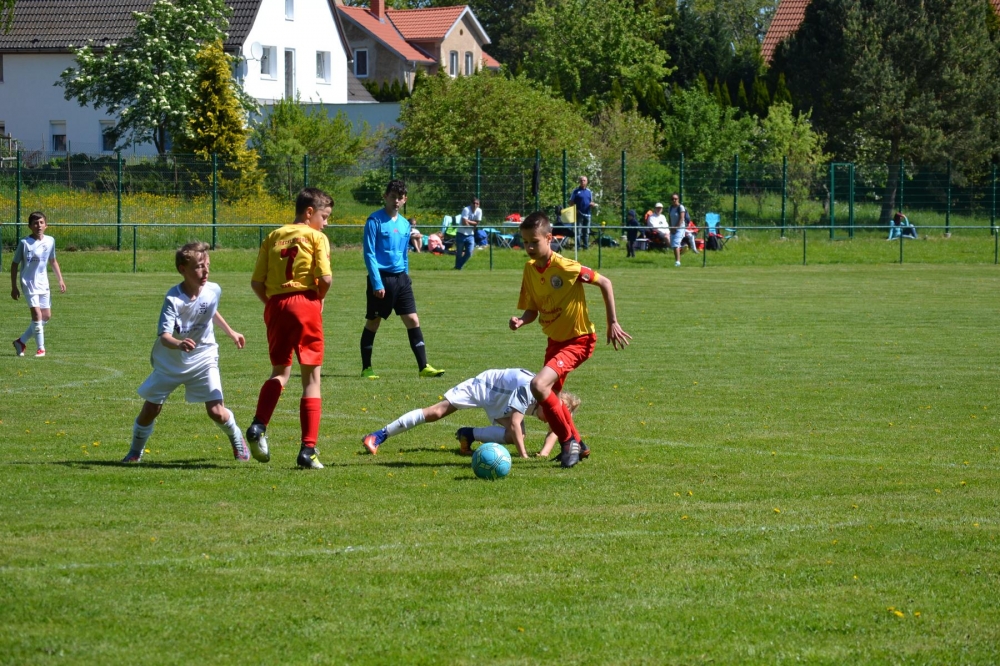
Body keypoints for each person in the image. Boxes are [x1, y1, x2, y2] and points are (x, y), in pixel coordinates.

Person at [509, 211, 632, 468]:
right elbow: (532, 308)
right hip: (555, 341)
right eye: (525, 242)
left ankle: (567, 442)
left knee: (538, 386)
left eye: (535, 241)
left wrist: (612, 322)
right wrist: (522, 320)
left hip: (579, 340)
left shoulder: (566, 266)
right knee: (548, 397)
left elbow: (605, 283)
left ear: (549, 238)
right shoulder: (530, 270)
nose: (529, 247)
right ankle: (578, 443)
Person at [121, 242, 247, 463]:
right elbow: (165, 336)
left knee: (217, 411)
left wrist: (231, 332)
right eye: (199, 266)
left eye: (207, 265)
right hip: (172, 361)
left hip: (204, 356)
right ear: (182, 270)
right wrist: (179, 344)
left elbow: (211, 310)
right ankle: (135, 452)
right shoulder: (173, 299)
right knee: (151, 409)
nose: (205, 271)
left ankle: (236, 437)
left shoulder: (213, 289)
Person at [246, 188, 333, 470]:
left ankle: (259, 425)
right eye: (324, 216)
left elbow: (257, 283)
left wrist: (273, 305)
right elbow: (326, 278)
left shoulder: (272, 236)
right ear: (309, 212)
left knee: (280, 372)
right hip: (304, 304)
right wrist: (318, 300)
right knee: (311, 379)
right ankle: (308, 449)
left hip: (276, 306)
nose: (326, 223)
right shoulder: (315, 236)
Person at [361, 368, 583, 460]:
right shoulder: (532, 388)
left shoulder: (549, 399)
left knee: (515, 436)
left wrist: (544, 454)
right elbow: (515, 423)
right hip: (486, 385)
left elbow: (558, 430)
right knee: (437, 412)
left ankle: (468, 434)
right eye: (551, 417)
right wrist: (523, 456)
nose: (549, 422)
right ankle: (378, 435)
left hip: (501, 399)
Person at [360, 179, 445, 380]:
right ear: (385, 197)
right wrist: (377, 282)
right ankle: (366, 368)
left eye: (400, 198)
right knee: (374, 322)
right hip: (381, 278)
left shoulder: (406, 224)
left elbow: (404, 253)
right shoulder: (374, 221)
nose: (396, 201)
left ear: (404, 199)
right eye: (392, 197)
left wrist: (406, 275)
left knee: (413, 319)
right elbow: (369, 253)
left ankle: (423, 367)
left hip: (401, 279)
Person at [10, 211, 66, 358]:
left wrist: (60, 279)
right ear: (30, 226)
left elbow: (53, 261)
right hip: (28, 283)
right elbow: (14, 264)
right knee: (36, 314)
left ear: (46, 225)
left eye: (41, 222)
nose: (38, 225)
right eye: (35, 223)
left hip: (43, 283)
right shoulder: (24, 243)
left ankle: (21, 341)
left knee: (46, 316)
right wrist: (14, 286)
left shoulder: (50, 241)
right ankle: (41, 348)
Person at [569, 176, 598, 250]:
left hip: (588, 214)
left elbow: (591, 201)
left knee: (586, 232)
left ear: (587, 182)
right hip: (579, 214)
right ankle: (578, 247)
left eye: (584, 180)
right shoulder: (575, 191)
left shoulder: (589, 192)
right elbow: (571, 202)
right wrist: (576, 210)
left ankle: (586, 247)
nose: (583, 182)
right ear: (579, 181)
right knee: (578, 231)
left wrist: (592, 204)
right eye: (581, 180)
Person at [455, 197, 481, 269]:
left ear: (479, 205)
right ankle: (458, 268)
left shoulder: (479, 211)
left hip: (471, 235)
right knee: (459, 253)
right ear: (471, 203)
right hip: (461, 233)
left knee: (469, 253)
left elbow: (477, 222)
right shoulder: (466, 209)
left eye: (477, 203)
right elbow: (464, 223)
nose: (475, 205)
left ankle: (458, 266)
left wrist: (468, 221)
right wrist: (472, 224)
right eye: (474, 203)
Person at [667, 193, 687, 266]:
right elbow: (669, 218)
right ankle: (683, 247)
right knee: (674, 245)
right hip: (672, 228)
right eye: (672, 199)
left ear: (678, 199)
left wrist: (676, 227)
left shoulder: (681, 207)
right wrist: (671, 227)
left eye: (675, 199)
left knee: (675, 244)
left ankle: (678, 262)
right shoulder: (670, 208)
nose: (674, 200)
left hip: (680, 228)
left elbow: (681, 218)